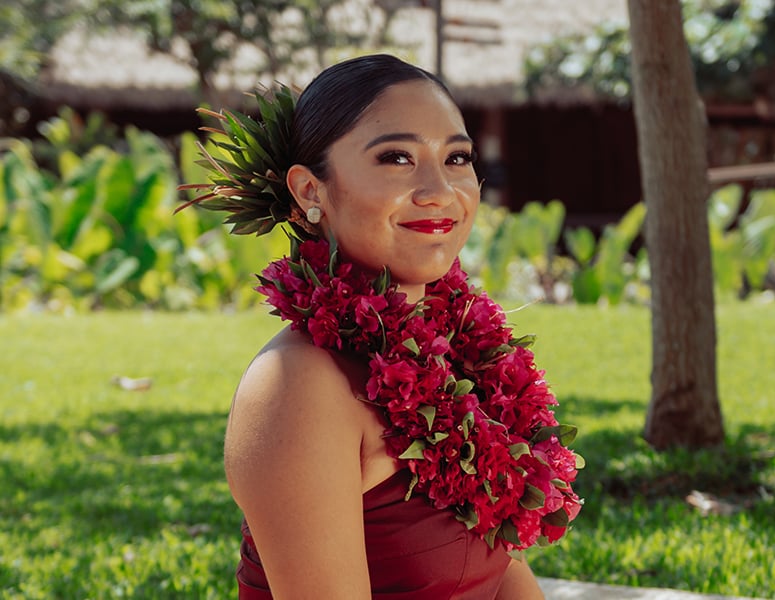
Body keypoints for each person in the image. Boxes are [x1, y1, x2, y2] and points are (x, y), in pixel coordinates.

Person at [181, 54, 581, 599]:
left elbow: (497, 573)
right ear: (309, 192)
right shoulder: (298, 385)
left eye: (457, 157)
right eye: (396, 157)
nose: (439, 189)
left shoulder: (452, 350)